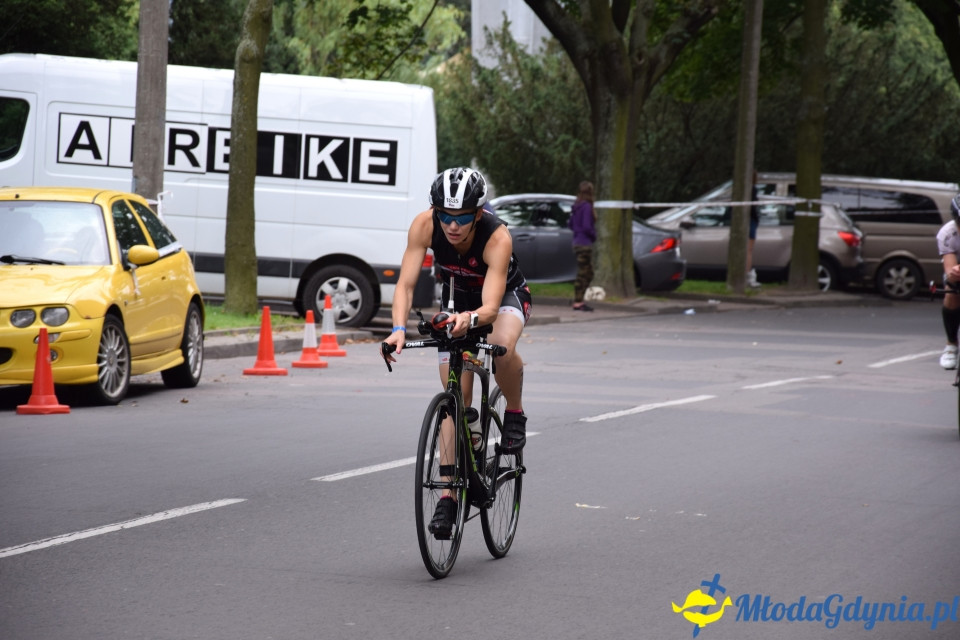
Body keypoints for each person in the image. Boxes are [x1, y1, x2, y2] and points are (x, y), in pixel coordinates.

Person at [381, 167, 532, 537]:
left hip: (501, 299)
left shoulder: (496, 236)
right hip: (457, 302)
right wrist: (398, 329)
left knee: (500, 347)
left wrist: (472, 318)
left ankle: (514, 412)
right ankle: (449, 496)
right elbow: (405, 285)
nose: (452, 225)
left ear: (477, 214)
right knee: (454, 400)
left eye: (462, 217)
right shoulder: (424, 225)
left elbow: (492, 308)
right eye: (445, 216)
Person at [936, 194, 960, 369]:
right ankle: (951, 344)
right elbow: (950, 269)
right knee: (951, 290)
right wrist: (954, 275)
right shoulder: (947, 233)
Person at [569, 180, 597, 311]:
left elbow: (570, 224)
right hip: (584, 243)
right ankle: (578, 301)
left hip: (577, 242)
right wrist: (593, 235)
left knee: (585, 272)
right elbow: (587, 226)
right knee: (585, 273)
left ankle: (578, 300)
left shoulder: (576, 206)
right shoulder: (586, 206)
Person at [746, 170, 761, 288]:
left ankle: (747, 274)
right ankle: (747, 274)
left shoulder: (747, 190)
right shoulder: (753, 190)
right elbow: (753, 208)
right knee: (748, 250)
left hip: (749, 221)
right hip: (751, 221)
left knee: (747, 250)